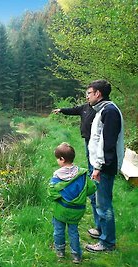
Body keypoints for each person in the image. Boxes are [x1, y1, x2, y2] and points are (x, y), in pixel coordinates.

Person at [85, 79, 124, 252]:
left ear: (98, 94)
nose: (87, 97)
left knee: (104, 204)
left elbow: (108, 143)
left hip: (104, 166)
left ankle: (107, 242)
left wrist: (99, 167)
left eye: (89, 93)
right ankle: (101, 230)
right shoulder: (103, 110)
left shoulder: (109, 111)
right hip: (99, 164)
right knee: (98, 200)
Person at [52, 103, 99, 228]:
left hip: (95, 143)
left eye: (89, 93)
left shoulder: (101, 109)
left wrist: (58, 198)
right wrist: (61, 109)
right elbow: (73, 110)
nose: (87, 96)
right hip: (88, 140)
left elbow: (51, 190)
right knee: (90, 166)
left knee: (93, 166)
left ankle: (94, 199)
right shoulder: (85, 107)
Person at [48, 142, 96, 264]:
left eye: (57, 159)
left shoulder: (57, 176)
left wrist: (60, 196)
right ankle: (76, 255)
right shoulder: (82, 174)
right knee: (73, 231)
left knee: (58, 230)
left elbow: (52, 192)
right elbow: (91, 188)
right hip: (77, 210)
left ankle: (60, 251)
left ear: (62, 159)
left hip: (61, 210)